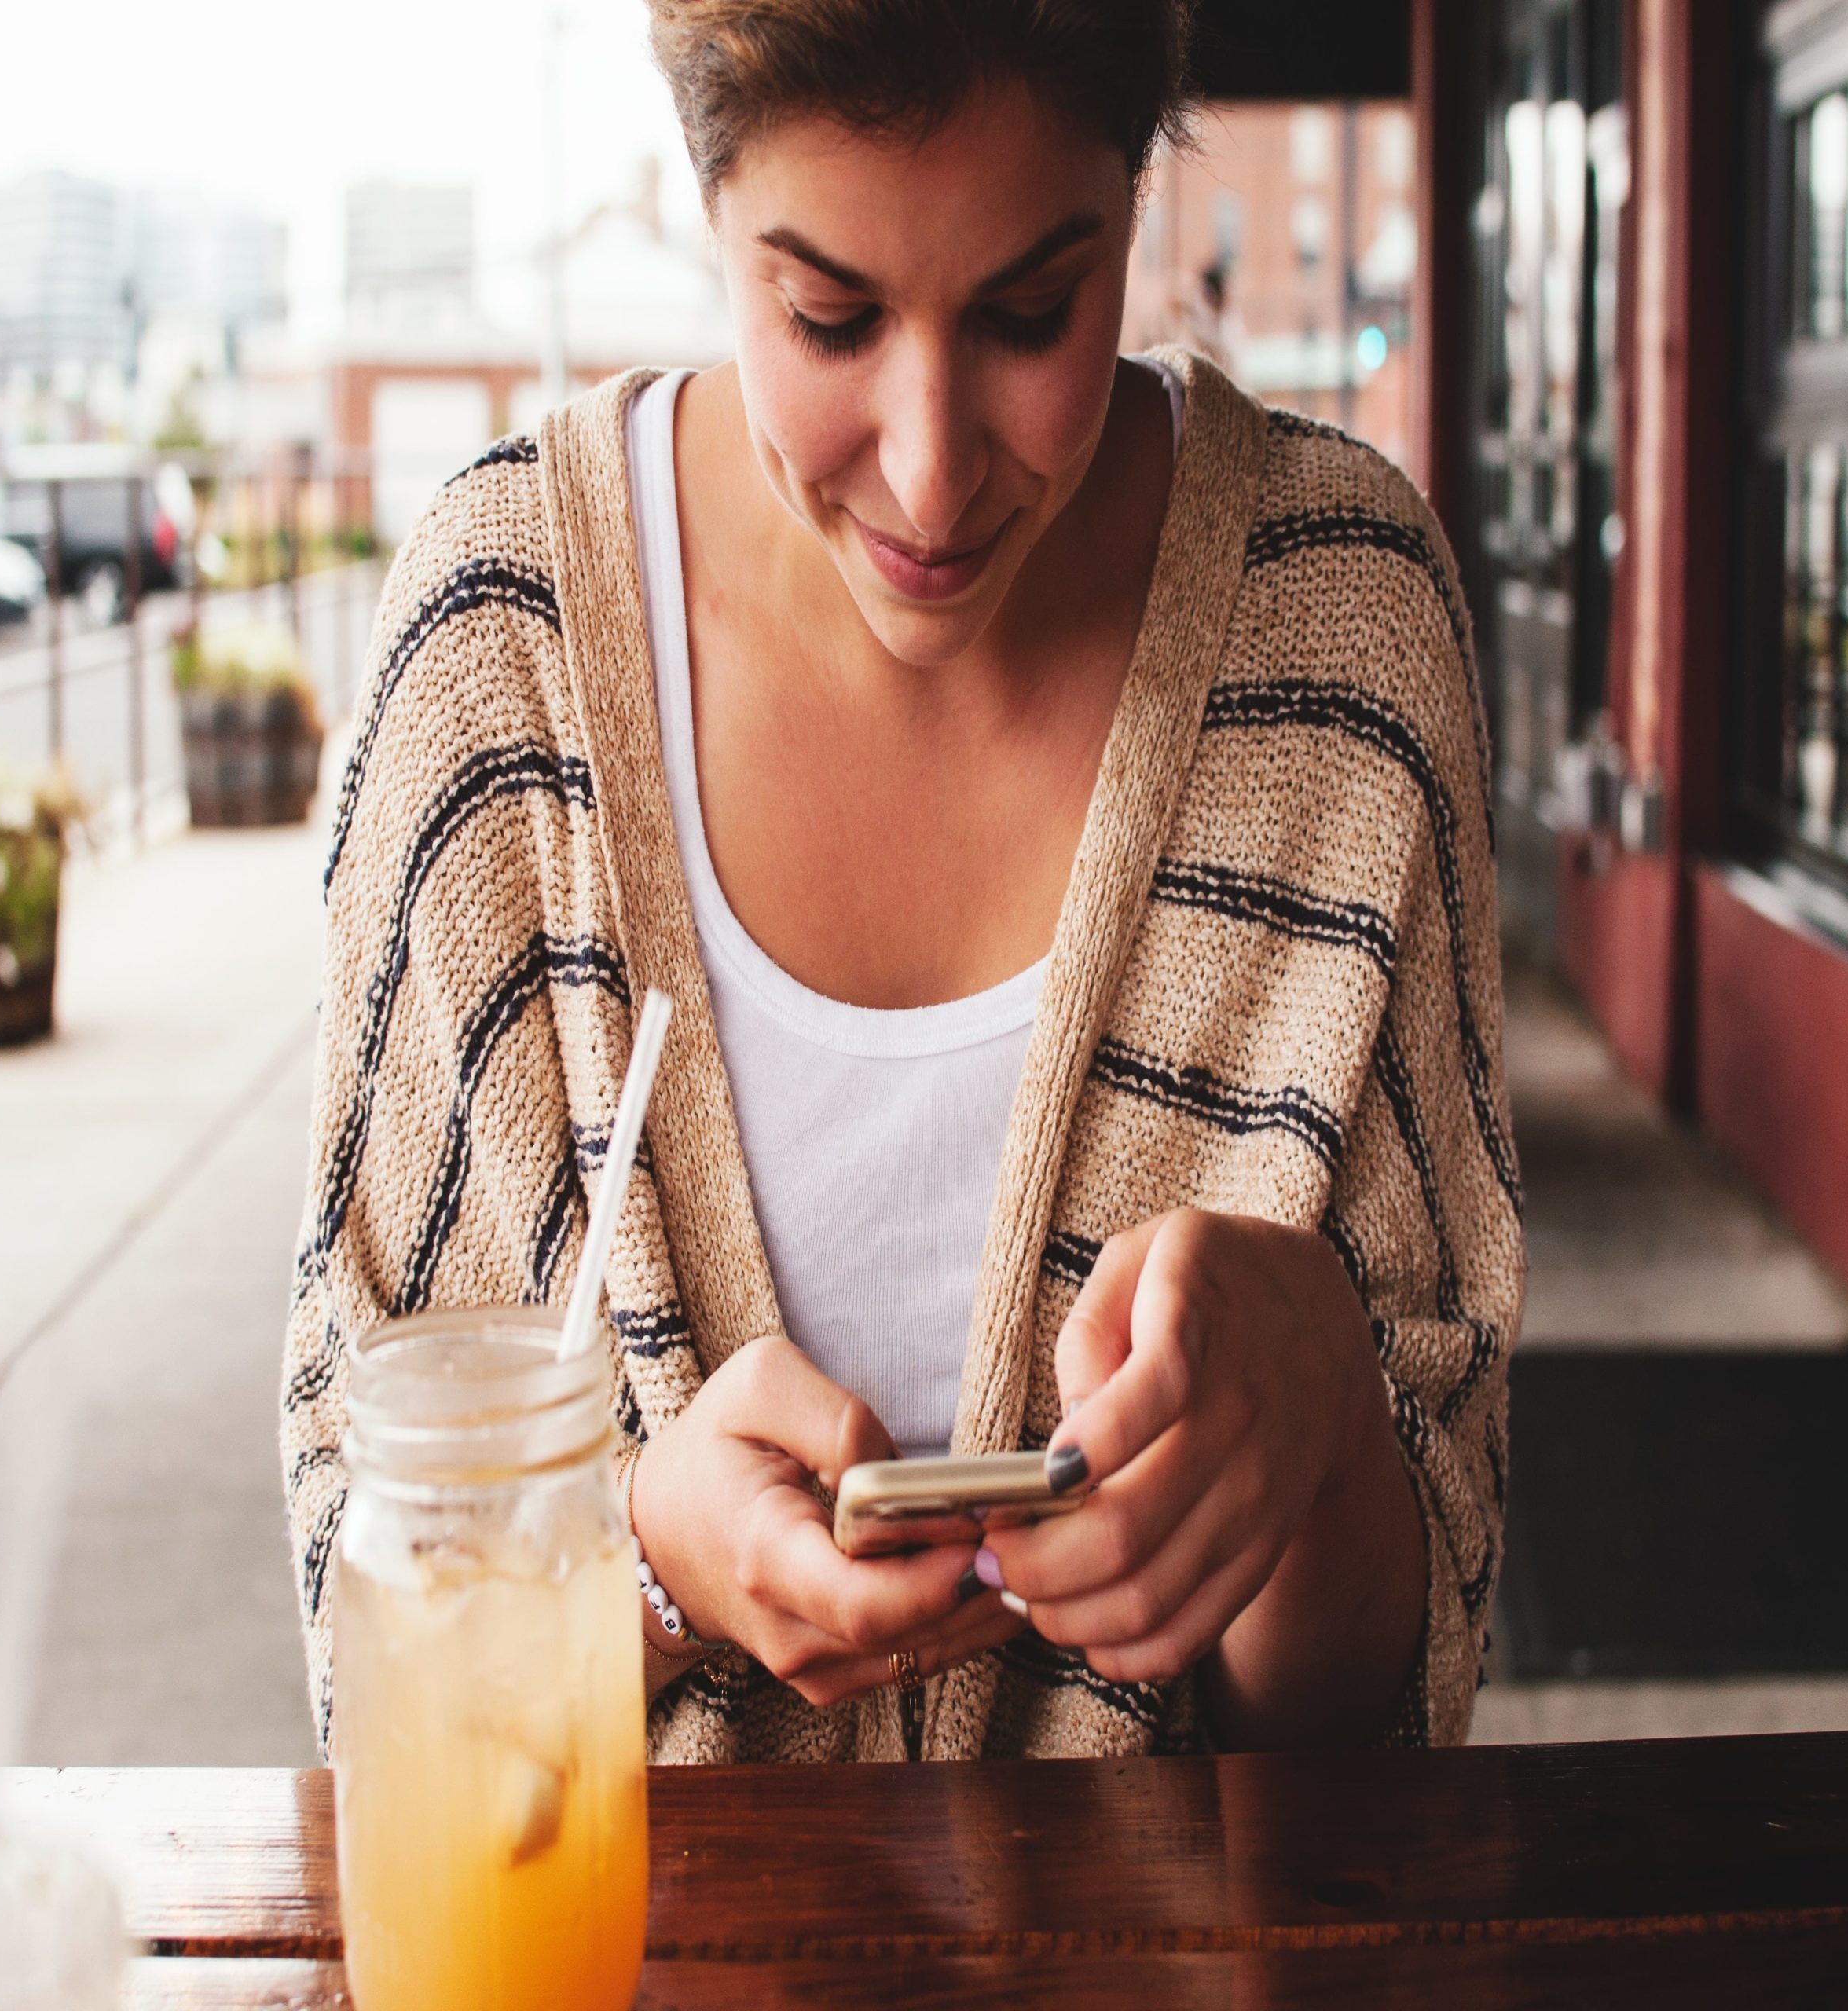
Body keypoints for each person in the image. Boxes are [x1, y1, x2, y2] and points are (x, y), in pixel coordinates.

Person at [282, 0, 1522, 1767]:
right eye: (826, 315)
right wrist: (643, 1562)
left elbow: (1395, 1715)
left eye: (1033, 313)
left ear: (1134, 201)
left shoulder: (1339, 634)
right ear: (706, 211)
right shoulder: (503, 655)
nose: (931, 470)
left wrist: (1324, 1411)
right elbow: (364, 1629)